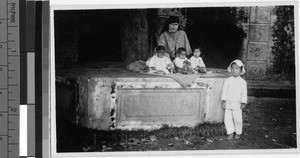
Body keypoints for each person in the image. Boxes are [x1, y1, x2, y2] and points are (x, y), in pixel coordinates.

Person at [221, 59, 247, 140]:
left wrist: (243, 102)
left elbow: (244, 93)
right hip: (228, 103)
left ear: (241, 70)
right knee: (227, 119)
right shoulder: (227, 80)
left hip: (237, 104)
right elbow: (224, 91)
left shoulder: (242, 82)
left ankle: (238, 132)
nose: (234, 70)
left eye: (237, 68)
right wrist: (224, 100)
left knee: (238, 119)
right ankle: (230, 132)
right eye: (233, 68)